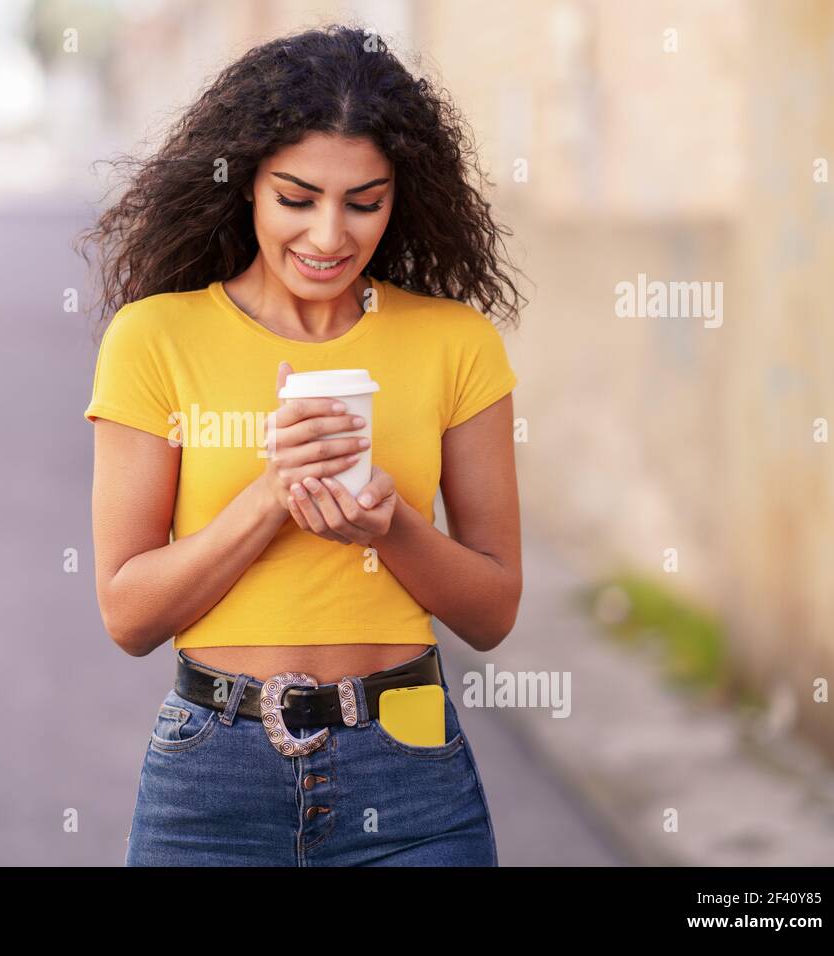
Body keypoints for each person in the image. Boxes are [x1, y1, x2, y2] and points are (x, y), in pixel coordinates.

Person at [77, 23, 525, 866]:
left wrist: (391, 529)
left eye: (365, 202)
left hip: (410, 760)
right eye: (297, 198)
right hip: (212, 778)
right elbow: (128, 615)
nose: (329, 237)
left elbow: (493, 610)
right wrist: (271, 496)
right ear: (245, 183)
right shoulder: (156, 340)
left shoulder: (454, 343)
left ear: (402, 195)